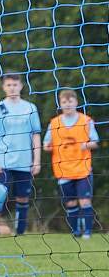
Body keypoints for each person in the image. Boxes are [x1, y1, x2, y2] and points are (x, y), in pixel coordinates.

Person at [0, 74, 41, 236]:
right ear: (4, 87)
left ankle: (20, 232)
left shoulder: (30, 108)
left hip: (24, 162)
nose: (12, 88)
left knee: (23, 197)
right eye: (9, 85)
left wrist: (37, 160)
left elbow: (36, 135)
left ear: (21, 86)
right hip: (3, 162)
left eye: (15, 85)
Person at [43, 89, 99, 238]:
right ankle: (75, 232)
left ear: (76, 102)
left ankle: (87, 232)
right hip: (63, 170)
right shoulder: (54, 123)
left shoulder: (86, 121)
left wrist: (85, 145)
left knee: (85, 201)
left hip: (83, 169)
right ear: (60, 104)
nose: (67, 104)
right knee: (70, 203)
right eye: (64, 102)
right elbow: (46, 145)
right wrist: (50, 146)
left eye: (70, 101)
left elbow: (95, 142)